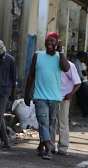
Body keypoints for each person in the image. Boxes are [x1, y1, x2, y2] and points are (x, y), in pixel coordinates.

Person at [24, 31, 69, 160]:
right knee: (43, 122)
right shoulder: (37, 55)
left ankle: (41, 145)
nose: (49, 43)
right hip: (40, 96)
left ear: (57, 43)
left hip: (55, 98)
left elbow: (66, 69)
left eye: (52, 41)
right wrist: (27, 94)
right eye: (47, 40)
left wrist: (61, 52)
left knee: (50, 124)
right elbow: (31, 75)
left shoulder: (60, 57)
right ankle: (49, 149)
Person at [53, 60, 81, 155]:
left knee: (63, 122)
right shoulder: (50, 64)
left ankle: (63, 147)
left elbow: (77, 83)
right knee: (52, 122)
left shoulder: (69, 66)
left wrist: (70, 94)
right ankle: (51, 146)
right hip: (51, 96)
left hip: (64, 97)